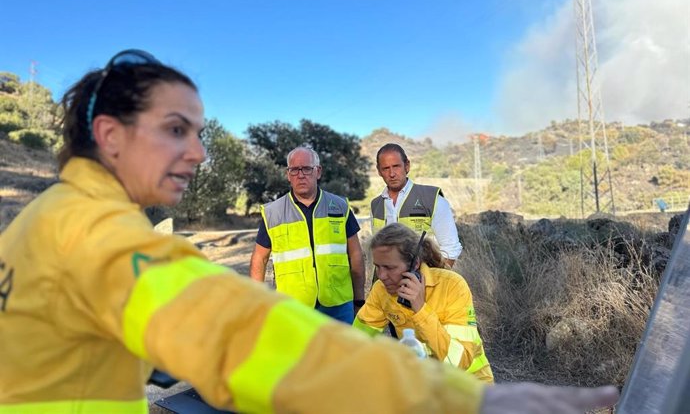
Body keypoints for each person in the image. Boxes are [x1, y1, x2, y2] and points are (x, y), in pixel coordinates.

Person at [0, 49, 619, 414]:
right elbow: (235, 333)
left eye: (198, 132)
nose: (198, 154)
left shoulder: (41, 221)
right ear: (110, 135)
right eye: (174, 130)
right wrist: (464, 400)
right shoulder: (94, 234)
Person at [354, 223, 493, 383]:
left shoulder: (452, 285)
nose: (382, 276)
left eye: (389, 267)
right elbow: (357, 340)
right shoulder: (381, 289)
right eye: (378, 267)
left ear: (415, 264)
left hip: (469, 384)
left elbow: (458, 363)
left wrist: (420, 310)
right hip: (425, 383)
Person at [249, 146, 366, 324]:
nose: (300, 175)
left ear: (318, 171)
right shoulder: (273, 213)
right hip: (293, 308)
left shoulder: (340, 206)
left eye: (307, 168)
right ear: (288, 174)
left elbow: (356, 254)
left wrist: (359, 299)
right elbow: (259, 259)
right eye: (294, 170)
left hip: (339, 306)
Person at [372, 143, 462, 268]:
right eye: (386, 168)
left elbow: (451, 249)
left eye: (396, 166)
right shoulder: (375, 206)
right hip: (388, 284)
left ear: (407, 166)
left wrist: (435, 282)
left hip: (425, 283)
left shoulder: (432, 199)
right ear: (379, 171)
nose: (392, 173)